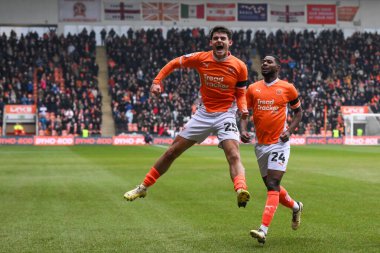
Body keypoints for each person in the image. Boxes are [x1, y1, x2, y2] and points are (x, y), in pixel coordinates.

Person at [124, 26, 251, 208]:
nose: (219, 41)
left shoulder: (240, 66)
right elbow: (174, 63)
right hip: (204, 113)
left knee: (233, 154)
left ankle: (241, 190)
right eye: (216, 38)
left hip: (226, 114)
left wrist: (243, 109)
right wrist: (157, 81)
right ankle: (143, 186)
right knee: (171, 152)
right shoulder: (201, 58)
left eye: (223, 38)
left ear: (230, 42)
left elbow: (240, 93)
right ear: (211, 42)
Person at [240, 55, 303, 244]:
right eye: (264, 62)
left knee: (273, 183)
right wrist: (243, 129)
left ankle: (263, 230)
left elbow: (298, 112)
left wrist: (289, 131)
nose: (265, 63)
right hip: (260, 145)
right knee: (271, 186)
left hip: (279, 143)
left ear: (278, 67)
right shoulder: (253, 88)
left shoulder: (287, 88)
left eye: (269, 61)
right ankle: (295, 207)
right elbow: (245, 112)